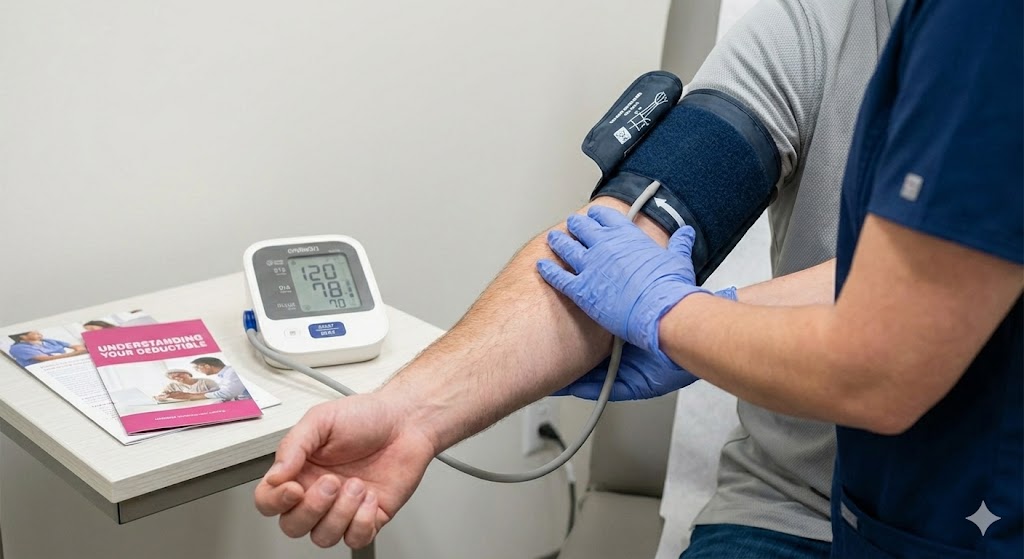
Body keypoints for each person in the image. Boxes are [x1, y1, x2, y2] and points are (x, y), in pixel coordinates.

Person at [252, 0, 915, 553]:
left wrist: (690, 319)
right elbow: (617, 239)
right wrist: (409, 412)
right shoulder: (819, 24)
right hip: (796, 506)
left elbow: (927, 299)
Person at [537, 1, 1021, 557]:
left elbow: (882, 363)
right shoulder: (815, 27)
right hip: (796, 502)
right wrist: (719, 314)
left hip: (960, 516)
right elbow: (923, 276)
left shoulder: (988, 25)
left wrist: (672, 317)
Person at [164, 357, 248, 401]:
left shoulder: (232, 372)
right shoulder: (222, 375)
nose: (196, 370)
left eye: (197, 368)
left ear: (207, 366)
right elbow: (219, 389)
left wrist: (190, 396)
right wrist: (191, 394)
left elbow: (227, 393)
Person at [7, 331, 87, 368]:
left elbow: (74, 346)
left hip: (68, 362)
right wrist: (75, 354)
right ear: (23, 336)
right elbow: (44, 359)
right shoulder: (18, 348)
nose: (40, 334)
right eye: (36, 333)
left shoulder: (47, 340)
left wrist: (78, 349)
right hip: (48, 367)